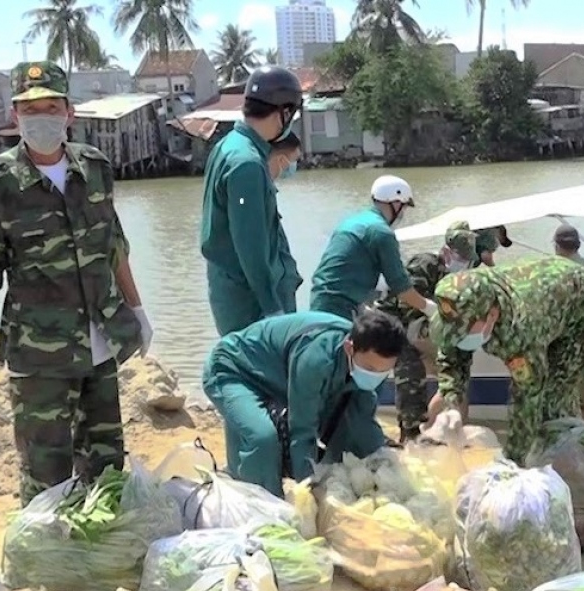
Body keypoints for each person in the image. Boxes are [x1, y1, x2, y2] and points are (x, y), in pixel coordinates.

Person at [0, 61, 153, 506]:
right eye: (30, 110)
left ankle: (98, 549)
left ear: (69, 112)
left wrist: (137, 310)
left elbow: (114, 245)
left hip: (101, 339)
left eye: (51, 106)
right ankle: (46, 554)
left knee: (106, 465)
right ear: (15, 117)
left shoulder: (95, 168)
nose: (41, 117)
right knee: (45, 469)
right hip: (39, 350)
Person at [431, 256, 584, 465]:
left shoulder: (520, 330)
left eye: (465, 330)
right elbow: (451, 353)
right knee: (544, 393)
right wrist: (452, 403)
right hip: (551, 298)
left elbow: (527, 398)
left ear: (492, 315)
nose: (459, 335)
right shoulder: (462, 299)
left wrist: (512, 461)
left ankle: (568, 462)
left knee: (555, 393)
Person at [202, 310, 405, 496]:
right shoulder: (316, 358)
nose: (375, 376)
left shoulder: (366, 366)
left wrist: (386, 466)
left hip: (277, 376)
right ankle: (265, 505)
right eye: (370, 368)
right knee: (262, 437)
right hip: (233, 369)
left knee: (349, 432)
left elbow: (362, 422)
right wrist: (309, 487)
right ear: (349, 348)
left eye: (383, 371)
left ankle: (240, 474)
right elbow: (302, 430)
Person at [200, 65, 304, 336]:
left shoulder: (228, 146)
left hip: (234, 293)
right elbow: (251, 245)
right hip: (252, 305)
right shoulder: (247, 165)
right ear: (284, 112)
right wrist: (272, 307)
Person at [376, 221, 478, 442]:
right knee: (410, 366)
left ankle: (433, 425)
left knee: (452, 363)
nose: (463, 263)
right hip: (392, 321)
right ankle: (410, 431)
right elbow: (408, 305)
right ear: (446, 252)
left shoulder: (462, 275)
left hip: (421, 324)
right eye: (459, 257)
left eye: (466, 258)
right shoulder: (426, 264)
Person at [309, 175, 438, 320]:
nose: (402, 214)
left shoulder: (351, 222)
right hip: (341, 307)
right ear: (396, 203)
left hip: (320, 298)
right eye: (404, 208)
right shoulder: (382, 233)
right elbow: (401, 287)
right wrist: (429, 308)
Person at [552, 223, 584, 423]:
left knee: (554, 398)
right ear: (578, 246)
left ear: (556, 246)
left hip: (557, 343)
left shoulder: (550, 272)